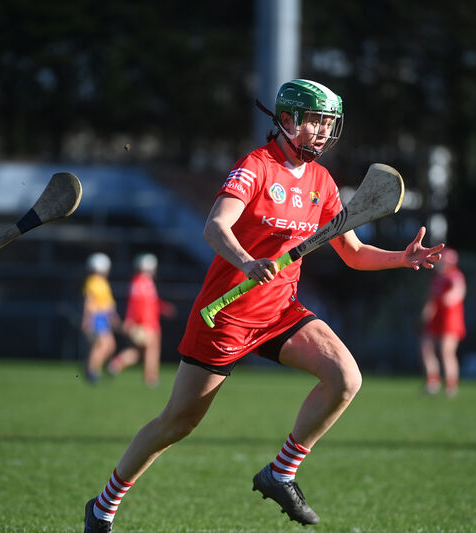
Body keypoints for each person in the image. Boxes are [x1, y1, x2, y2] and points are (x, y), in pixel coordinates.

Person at [83, 79, 444, 532]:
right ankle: (103, 506)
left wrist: (400, 258)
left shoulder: (321, 181)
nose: (322, 132)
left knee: (345, 377)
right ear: (287, 120)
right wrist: (246, 261)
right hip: (226, 316)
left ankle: (281, 473)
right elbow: (216, 227)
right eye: (315, 122)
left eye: (328, 124)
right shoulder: (255, 167)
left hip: (279, 313)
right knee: (177, 422)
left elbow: (351, 252)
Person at [107, 253, 175, 388]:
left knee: (138, 351)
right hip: (146, 323)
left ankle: (116, 364)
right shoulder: (142, 282)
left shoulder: (141, 281)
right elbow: (136, 304)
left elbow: (151, 302)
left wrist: (163, 307)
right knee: (152, 349)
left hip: (147, 322)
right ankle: (150, 377)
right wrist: (131, 320)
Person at [419, 247, 466, 397]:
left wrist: (451, 297)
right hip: (436, 317)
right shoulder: (436, 277)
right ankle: (432, 380)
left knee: (446, 351)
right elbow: (431, 297)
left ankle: (451, 385)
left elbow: (458, 290)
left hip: (450, 319)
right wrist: (427, 312)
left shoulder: (455, 276)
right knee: (426, 347)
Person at [81, 252, 121, 383]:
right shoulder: (93, 282)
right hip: (97, 318)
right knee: (102, 346)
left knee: (110, 346)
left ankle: (90, 366)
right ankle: (92, 372)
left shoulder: (102, 282)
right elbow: (89, 302)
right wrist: (87, 319)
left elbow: (108, 304)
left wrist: (113, 317)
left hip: (103, 318)